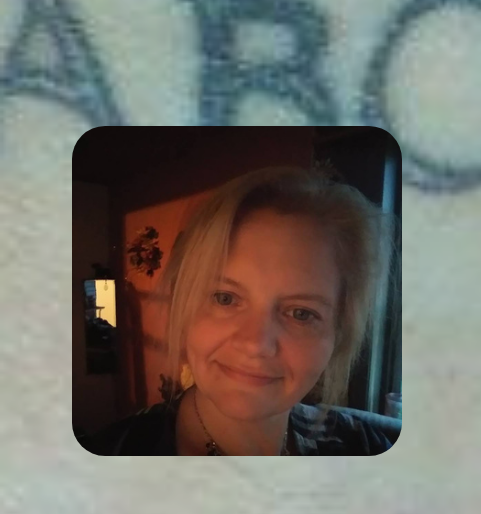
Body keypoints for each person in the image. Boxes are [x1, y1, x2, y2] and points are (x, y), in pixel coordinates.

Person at [80, 166, 399, 455]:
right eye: (225, 298)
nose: (255, 344)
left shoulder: (367, 450)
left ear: (338, 334)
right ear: (184, 304)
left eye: (301, 313)